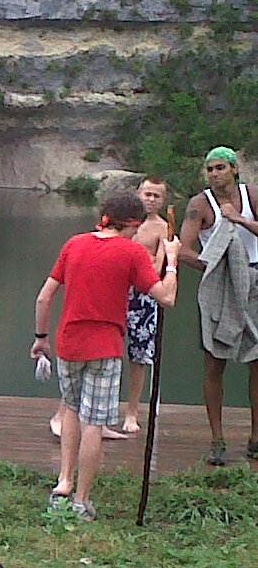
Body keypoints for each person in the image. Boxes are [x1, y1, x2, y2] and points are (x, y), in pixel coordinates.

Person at [32, 192, 180, 520]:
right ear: (132, 224)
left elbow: (44, 298)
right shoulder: (132, 252)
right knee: (94, 422)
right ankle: (82, 500)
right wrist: (171, 259)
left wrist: (41, 338)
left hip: (68, 343)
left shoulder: (74, 244)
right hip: (105, 348)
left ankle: (64, 483)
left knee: (70, 410)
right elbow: (166, 297)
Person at [178, 146, 258, 466]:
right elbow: (183, 249)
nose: (214, 174)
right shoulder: (200, 205)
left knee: (257, 363)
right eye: (210, 169)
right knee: (215, 363)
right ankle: (217, 440)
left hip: (255, 279)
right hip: (220, 285)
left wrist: (238, 219)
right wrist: (214, 267)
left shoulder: (251, 196)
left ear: (235, 169)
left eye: (220, 168)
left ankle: (255, 437)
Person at [122, 176, 169, 433]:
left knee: (139, 355)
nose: (150, 200)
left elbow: (159, 264)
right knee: (104, 350)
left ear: (163, 201)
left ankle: (132, 412)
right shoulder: (125, 222)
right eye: (147, 194)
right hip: (117, 290)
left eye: (156, 196)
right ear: (138, 193)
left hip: (145, 294)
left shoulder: (162, 228)